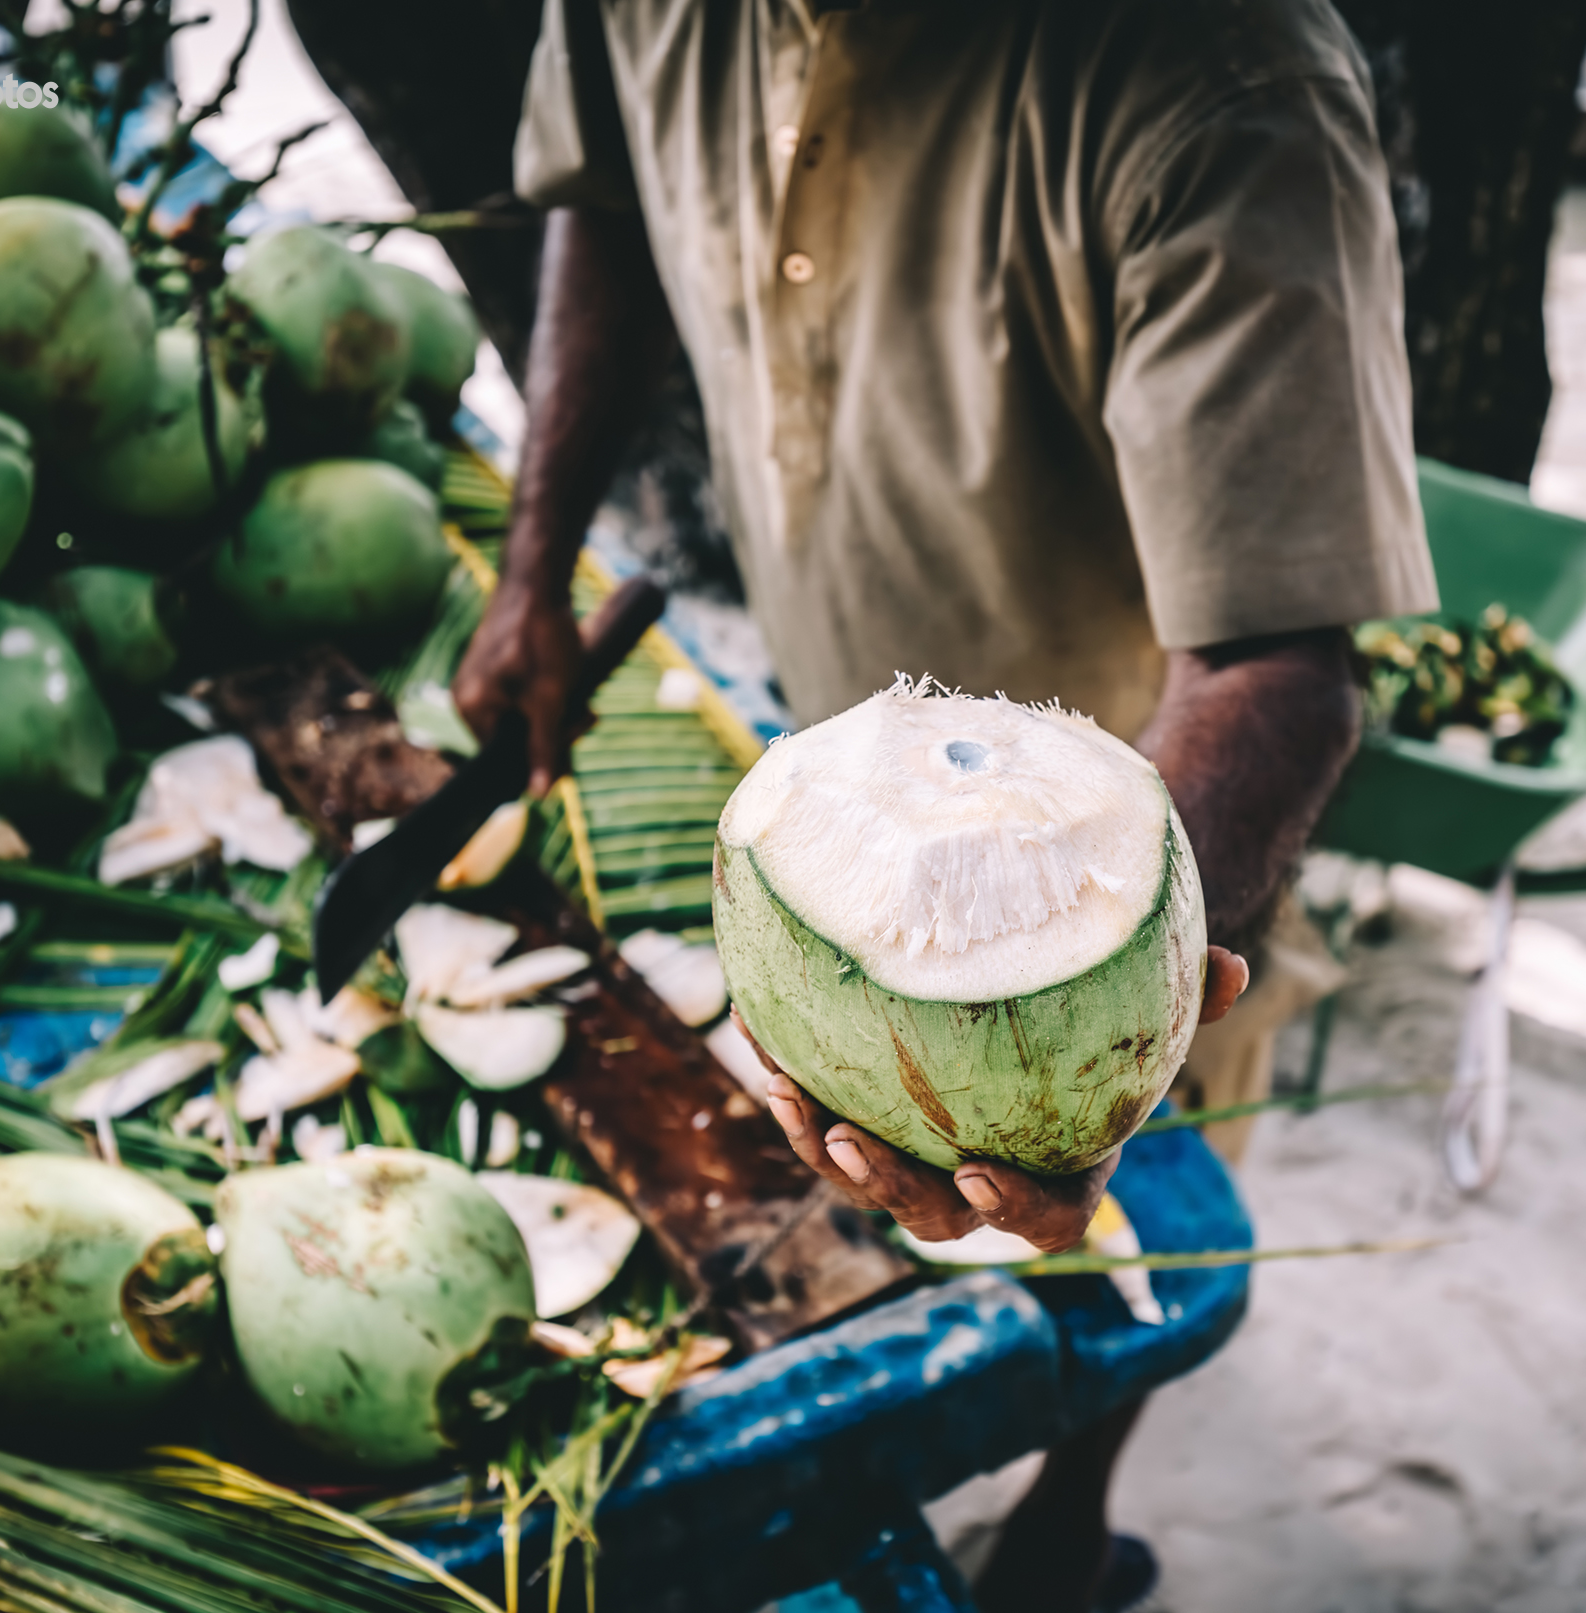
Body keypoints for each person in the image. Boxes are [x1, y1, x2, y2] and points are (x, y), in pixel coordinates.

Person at [452, 2, 1436, 1605]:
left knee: (1125, 1218)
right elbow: (604, 201)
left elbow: (1280, 664)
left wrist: (1110, 1002)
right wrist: (533, 559)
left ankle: (1066, 1519)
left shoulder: (1222, 85)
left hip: (1160, 796)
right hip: (835, 713)